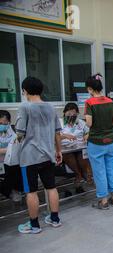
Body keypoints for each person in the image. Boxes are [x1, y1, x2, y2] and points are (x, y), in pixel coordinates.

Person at [16, 77, 63, 234]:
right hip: (48, 154)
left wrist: (16, 139)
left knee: (31, 191)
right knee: (51, 187)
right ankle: (55, 219)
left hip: (29, 157)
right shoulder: (51, 107)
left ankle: (34, 225)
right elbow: (58, 133)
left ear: (25, 91)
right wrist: (59, 151)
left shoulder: (25, 106)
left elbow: (20, 133)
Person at [84, 73, 113, 210]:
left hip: (96, 142)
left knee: (99, 171)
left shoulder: (89, 102)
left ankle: (103, 201)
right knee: (111, 169)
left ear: (90, 89)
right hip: (110, 140)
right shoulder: (110, 101)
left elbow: (89, 123)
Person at [60, 103, 92, 193]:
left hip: (79, 147)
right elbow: (55, 135)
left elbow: (88, 132)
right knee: (68, 155)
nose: (71, 116)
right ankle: (78, 175)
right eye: (69, 114)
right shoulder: (60, 122)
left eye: (74, 114)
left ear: (77, 114)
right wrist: (65, 136)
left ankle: (85, 174)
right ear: (64, 113)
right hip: (65, 148)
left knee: (82, 156)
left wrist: (86, 136)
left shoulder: (80, 123)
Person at [0, 110, 22, 202]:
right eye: (0, 123)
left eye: (6, 122)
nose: (3, 125)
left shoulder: (11, 130)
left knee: (17, 169)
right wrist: (9, 149)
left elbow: (16, 143)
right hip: (1, 162)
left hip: (11, 161)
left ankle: (13, 190)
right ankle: (9, 191)